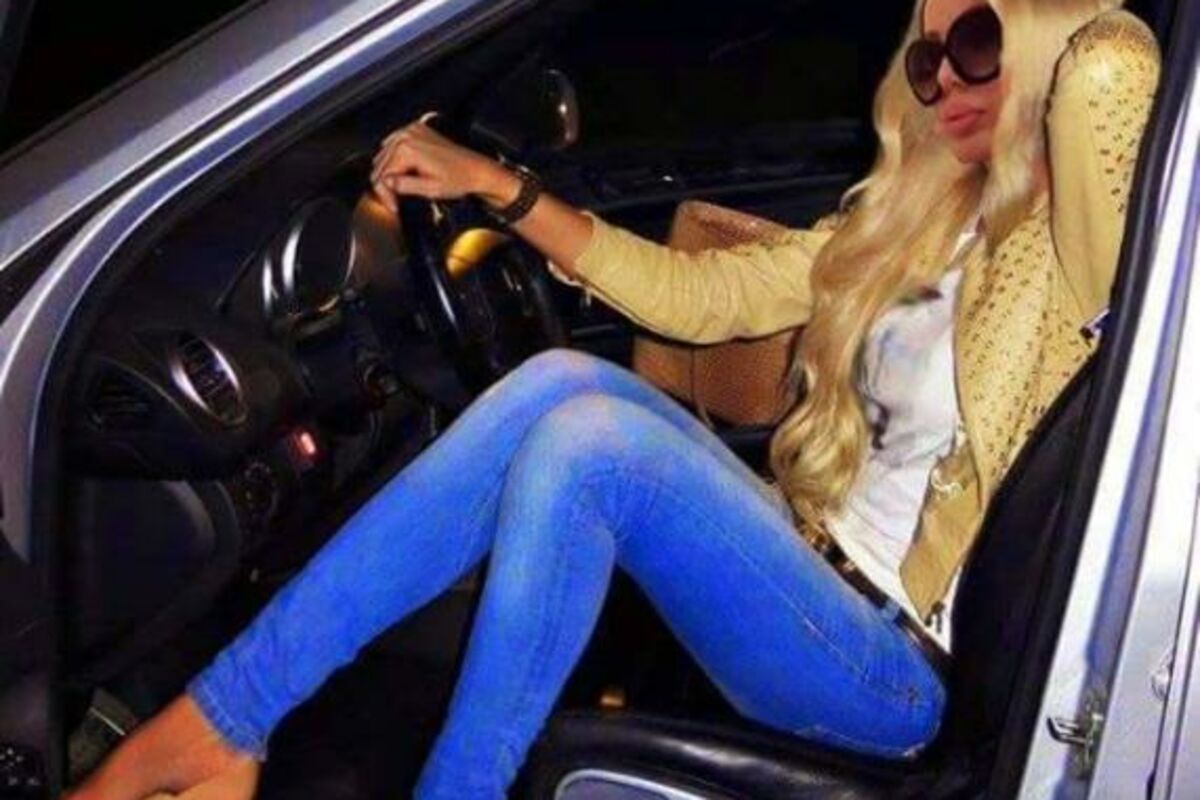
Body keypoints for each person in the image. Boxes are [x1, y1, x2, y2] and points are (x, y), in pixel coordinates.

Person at [69, 0, 1160, 798]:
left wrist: (1049, 27)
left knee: (593, 448)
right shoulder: (918, 224)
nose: (949, 84)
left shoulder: (1080, 259)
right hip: (803, 571)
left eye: (980, 45)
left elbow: (1114, 69)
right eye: (926, 60)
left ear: (1040, 38)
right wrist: (501, 188)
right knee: (561, 384)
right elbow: (698, 297)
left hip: (890, 674)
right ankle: (224, 722)